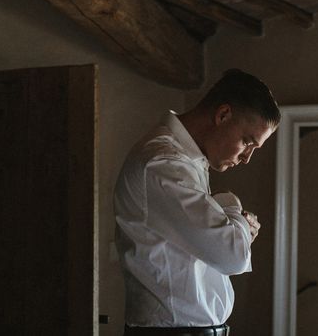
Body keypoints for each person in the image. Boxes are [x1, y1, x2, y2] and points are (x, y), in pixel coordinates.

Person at [114, 69, 280, 335]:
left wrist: (230, 222)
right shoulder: (164, 163)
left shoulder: (188, 161)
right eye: (247, 142)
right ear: (223, 115)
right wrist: (229, 204)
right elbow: (233, 256)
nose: (247, 158)